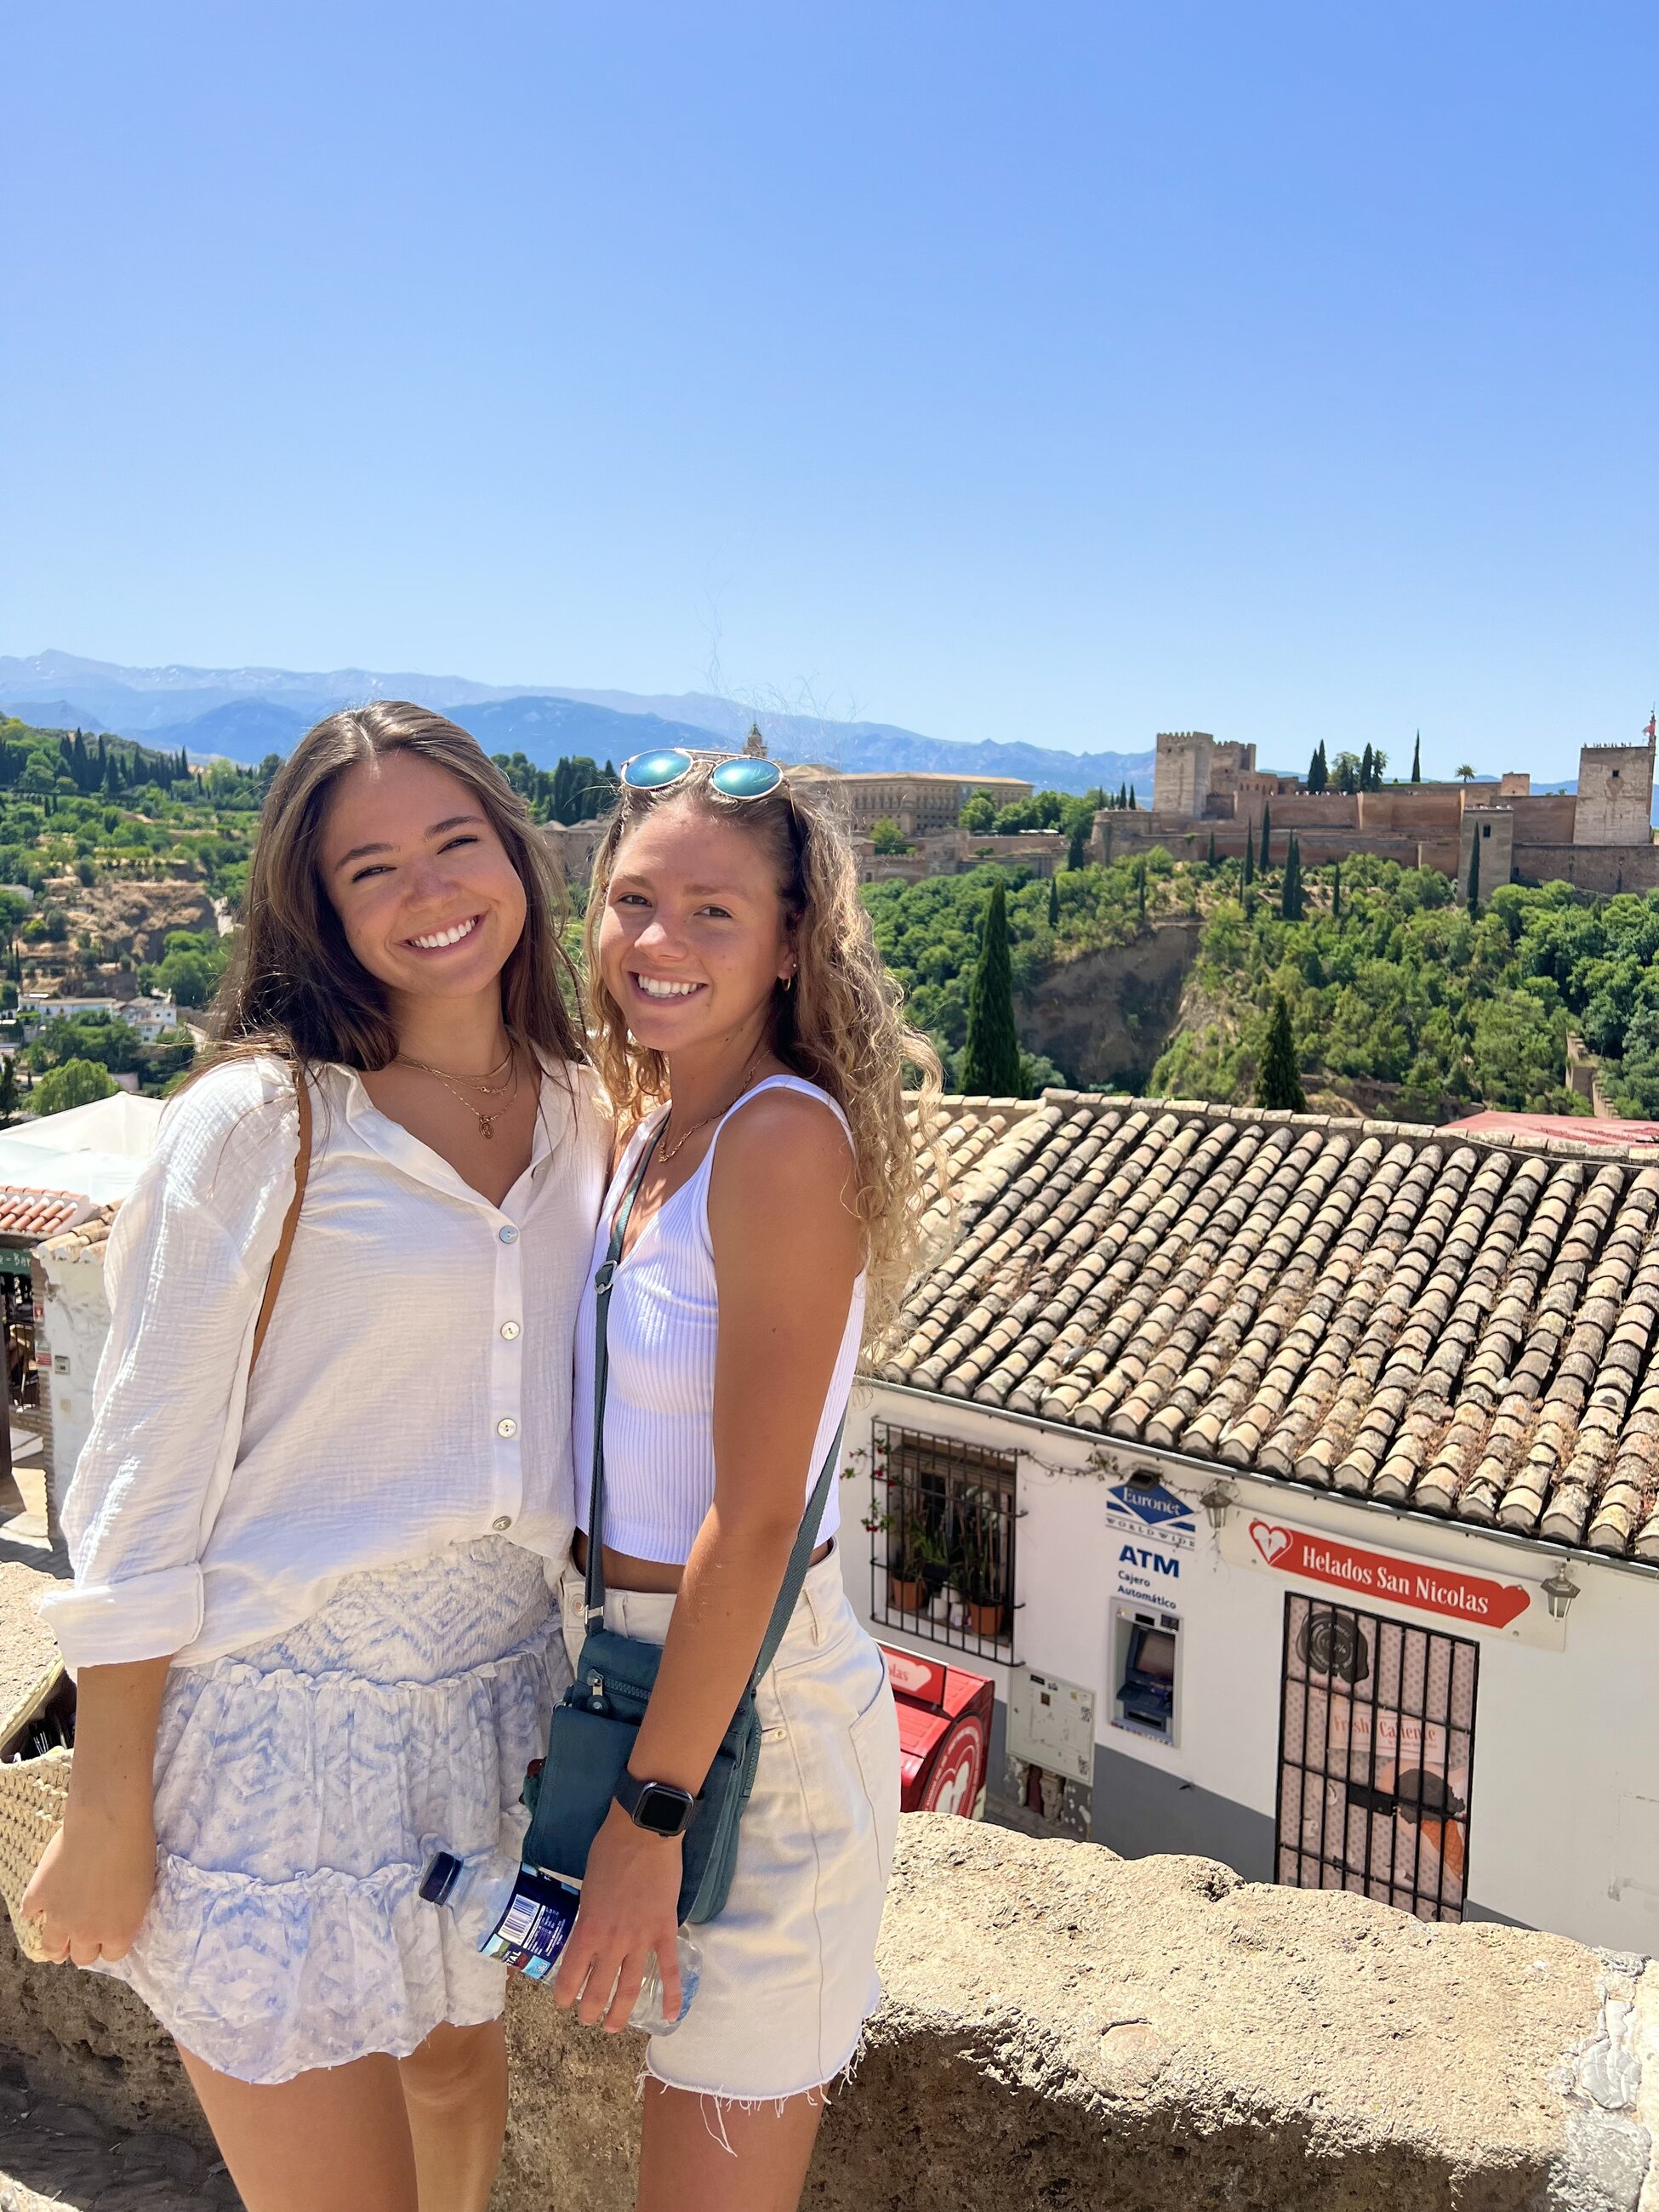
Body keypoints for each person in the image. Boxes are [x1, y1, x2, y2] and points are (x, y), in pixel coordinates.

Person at [26, 704, 607, 2212]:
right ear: (318, 906)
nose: (429, 892)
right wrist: (106, 1813)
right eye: (372, 869)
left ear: (516, 859)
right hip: (279, 1739)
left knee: (457, 2072)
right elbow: (142, 1482)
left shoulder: (586, 1111)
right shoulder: (259, 1122)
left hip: (494, 1711)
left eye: (455, 844)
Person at [554, 749, 942, 2212]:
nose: (657, 943)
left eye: (712, 913)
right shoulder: (656, 1123)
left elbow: (761, 1515)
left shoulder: (776, 1138)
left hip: (748, 1727)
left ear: (792, 945)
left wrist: (645, 1820)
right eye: (632, 901)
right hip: (638, 1688)